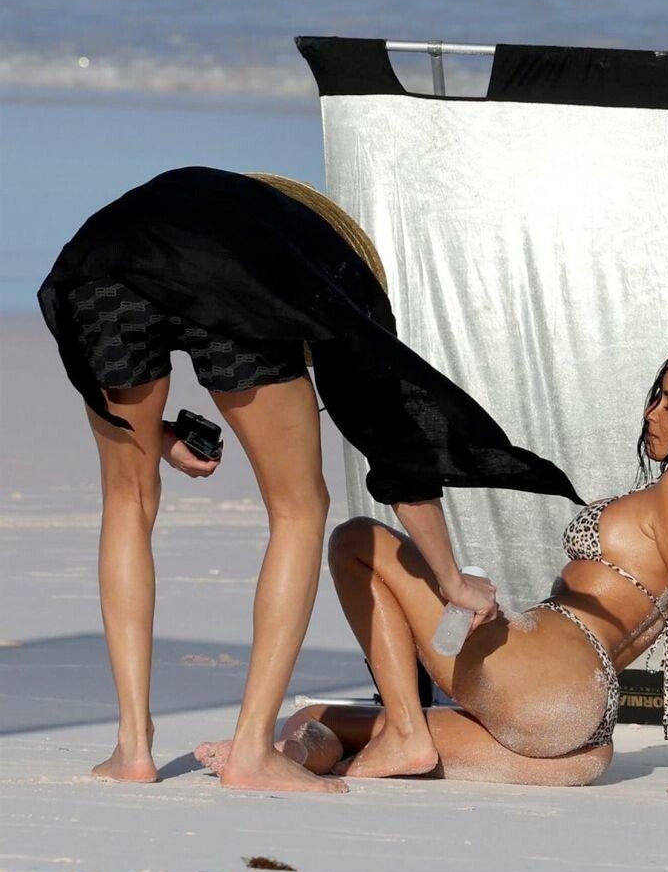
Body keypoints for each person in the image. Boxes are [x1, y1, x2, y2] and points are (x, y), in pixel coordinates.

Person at [38, 167, 579, 795]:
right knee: (299, 507)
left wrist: (158, 435)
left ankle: (132, 749)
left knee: (128, 501)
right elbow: (394, 435)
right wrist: (451, 579)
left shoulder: (227, 207)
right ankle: (251, 752)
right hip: (228, 275)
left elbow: (144, 314)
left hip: (96, 270)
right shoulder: (323, 274)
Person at [200, 346, 668, 799]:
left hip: (543, 679)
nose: (651, 413)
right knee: (316, 720)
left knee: (355, 540)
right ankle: (303, 753)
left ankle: (403, 729)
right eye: (656, 397)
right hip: (577, 739)